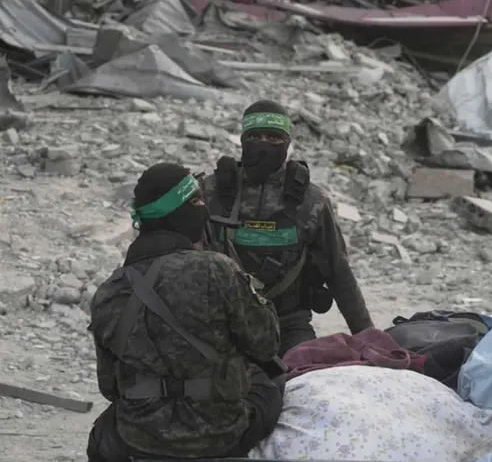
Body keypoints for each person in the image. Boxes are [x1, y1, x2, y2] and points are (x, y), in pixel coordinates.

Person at [87, 163, 285, 461]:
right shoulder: (216, 268)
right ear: (174, 212)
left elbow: (110, 387)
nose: (204, 209)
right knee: (269, 384)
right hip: (221, 435)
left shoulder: (109, 291)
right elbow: (266, 344)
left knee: (102, 433)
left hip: (139, 438)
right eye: (196, 201)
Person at [201, 100, 374, 356]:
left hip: (288, 324)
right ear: (243, 139)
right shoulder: (210, 191)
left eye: (273, 138)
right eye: (255, 137)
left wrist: (369, 340)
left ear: (287, 142)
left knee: (305, 370)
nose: (263, 144)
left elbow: (339, 273)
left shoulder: (312, 201)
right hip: (223, 321)